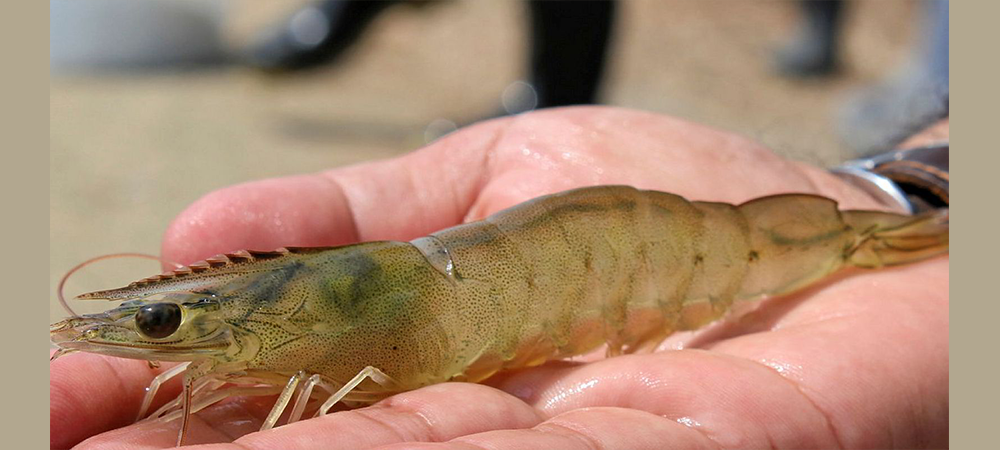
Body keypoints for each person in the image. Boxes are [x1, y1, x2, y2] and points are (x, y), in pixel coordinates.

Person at [50, 107, 948, 449]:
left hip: (650, 246)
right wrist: (917, 181)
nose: (163, 340)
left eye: (165, 324)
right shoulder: (272, 310)